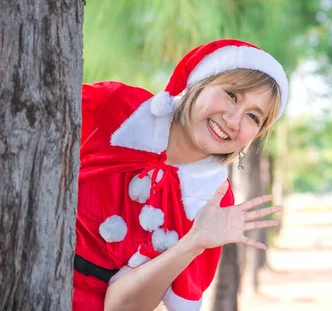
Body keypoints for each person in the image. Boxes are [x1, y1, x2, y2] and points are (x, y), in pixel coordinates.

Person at [73, 39, 289, 311]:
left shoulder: (212, 204)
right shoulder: (115, 109)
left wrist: (194, 242)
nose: (233, 121)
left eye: (253, 118)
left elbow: (121, 307)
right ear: (200, 82)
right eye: (232, 95)